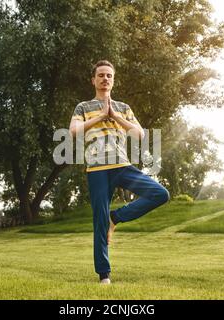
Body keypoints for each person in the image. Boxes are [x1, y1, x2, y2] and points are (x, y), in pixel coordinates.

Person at [69, 60, 170, 284]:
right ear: (93, 80)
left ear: (113, 80)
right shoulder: (83, 107)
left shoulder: (124, 108)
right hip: (96, 169)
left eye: (109, 76)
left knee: (160, 194)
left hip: (122, 166)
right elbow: (73, 131)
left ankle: (116, 217)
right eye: (101, 75)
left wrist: (114, 116)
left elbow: (139, 135)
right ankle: (104, 275)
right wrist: (100, 117)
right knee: (99, 220)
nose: (105, 79)